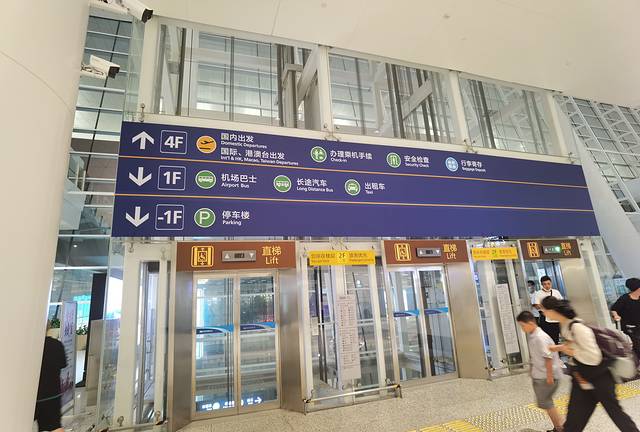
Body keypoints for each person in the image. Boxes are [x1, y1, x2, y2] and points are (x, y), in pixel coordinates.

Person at [542, 296, 639, 432]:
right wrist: (560, 348)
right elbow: (575, 346)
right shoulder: (564, 325)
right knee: (573, 421)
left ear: (552, 310)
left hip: (600, 377)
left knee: (616, 414)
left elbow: (594, 357)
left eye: (544, 309)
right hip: (582, 378)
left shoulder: (577, 327)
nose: (543, 312)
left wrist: (568, 351)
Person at [517, 310, 565, 432]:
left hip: (546, 376)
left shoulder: (540, 337)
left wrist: (549, 376)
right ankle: (559, 426)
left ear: (531, 323)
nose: (522, 329)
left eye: (523, 325)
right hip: (541, 375)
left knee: (546, 403)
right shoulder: (534, 335)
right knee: (546, 403)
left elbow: (547, 357)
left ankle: (560, 427)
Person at [34, 323, 68, 432]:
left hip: (33, 397)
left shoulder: (28, 347)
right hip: (53, 395)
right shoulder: (57, 345)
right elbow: (63, 364)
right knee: (54, 426)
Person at [611, 278, 640, 359]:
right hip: (629, 327)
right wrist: (616, 315)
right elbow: (614, 309)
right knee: (637, 344)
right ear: (637, 288)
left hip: (638, 325)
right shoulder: (624, 298)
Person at [532, 276, 564, 344]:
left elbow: (561, 303)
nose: (547, 286)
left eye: (548, 284)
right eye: (545, 284)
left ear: (551, 283)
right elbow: (536, 306)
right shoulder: (538, 293)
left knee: (556, 336)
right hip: (544, 317)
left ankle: (556, 347)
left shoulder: (556, 292)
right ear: (542, 284)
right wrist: (547, 306)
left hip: (555, 317)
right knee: (547, 337)